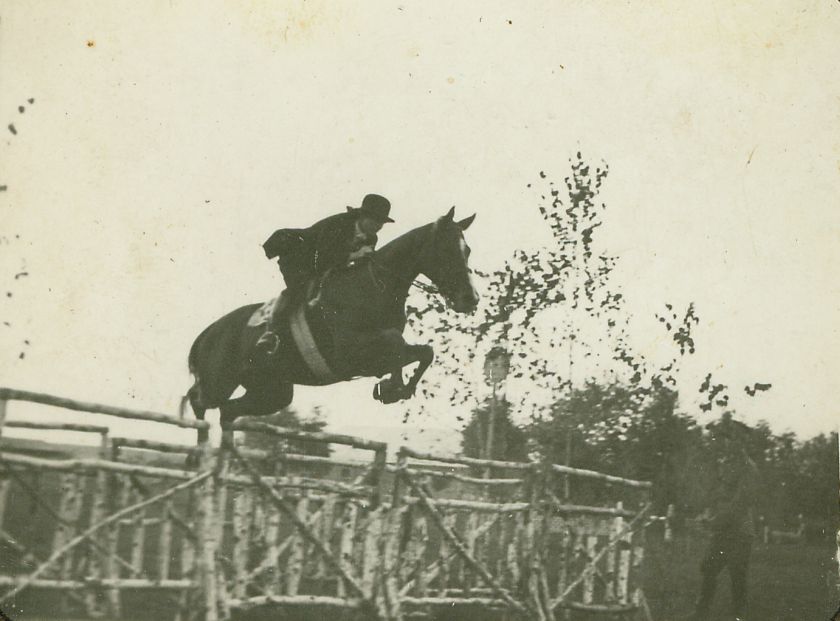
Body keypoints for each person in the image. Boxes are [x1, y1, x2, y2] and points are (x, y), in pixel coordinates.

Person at [254, 193, 395, 357]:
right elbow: (322, 258)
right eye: (375, 220)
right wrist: (355, 255)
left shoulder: (371, 238)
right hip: (299, 257)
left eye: (381, 222)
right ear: (363, 216)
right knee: (300, 288)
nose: (378, 226)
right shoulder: (339, 224)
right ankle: (271, 333)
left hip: (327, 265)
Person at [690, 415, 760, 621]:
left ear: (743, 442)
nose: (729, 442)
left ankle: (738, 616)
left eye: (734, 438)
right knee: (708, 568)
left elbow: (739, 504)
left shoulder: (749, 468)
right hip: (722, 531)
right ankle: (700, 613)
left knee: (737, 576)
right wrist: (707, 513)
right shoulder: (726, 465)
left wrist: (713, 521)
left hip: (740, 533)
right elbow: (717, 496)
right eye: (728, 438)